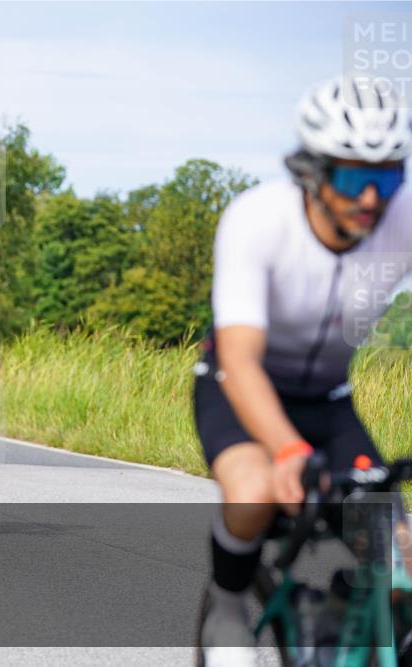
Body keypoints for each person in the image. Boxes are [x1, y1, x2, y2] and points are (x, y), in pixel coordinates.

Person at [195, 76, 411, 666]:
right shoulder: (258, 220)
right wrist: (288, 451)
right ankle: (229, 603)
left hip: (328, 399)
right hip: (238, 387)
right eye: (351, 175)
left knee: (400, 556)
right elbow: (239, 359)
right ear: (312, 171)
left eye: (389, 174)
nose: (372, 196)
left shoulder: (402, 219)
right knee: (253, 489)